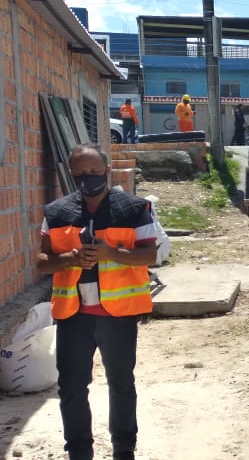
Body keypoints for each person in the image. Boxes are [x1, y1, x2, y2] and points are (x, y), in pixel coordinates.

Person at [37, 144, 157, 460]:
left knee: (121, 384)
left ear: (107, 171)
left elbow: (150, 254)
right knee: (72, 389)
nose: (88, 177)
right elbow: (41, 260)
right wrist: (69, 260)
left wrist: (111, 254)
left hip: (118, 315)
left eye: (94, 171)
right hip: (73, 316)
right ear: (72, 175)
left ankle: (123, 450)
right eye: (81, 173)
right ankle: (78, 452)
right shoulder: (57, 211)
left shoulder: (134, 208)